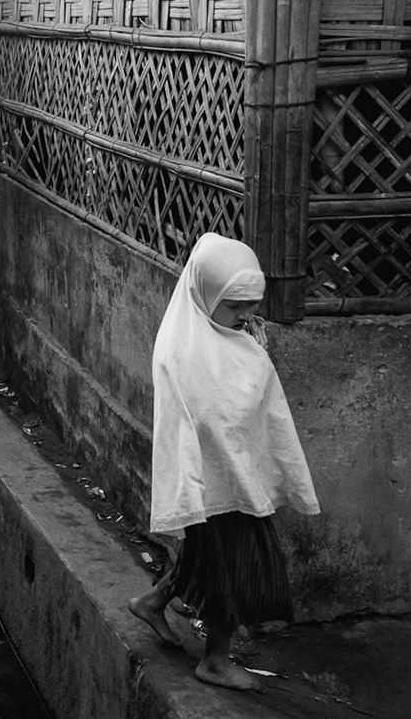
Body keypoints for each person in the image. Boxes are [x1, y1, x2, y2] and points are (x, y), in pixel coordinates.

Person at [126, 233, 319, 691]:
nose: (247, 316)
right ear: (205, 294)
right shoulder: (184, 349)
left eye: (252, 305)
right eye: (235, 306)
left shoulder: (230, 333)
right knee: (233, 566)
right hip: (212, 479)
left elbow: (247, 400)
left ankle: (153, 602)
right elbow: (204, 419)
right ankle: (214, 659)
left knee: (207, 558)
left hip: (233, 472)